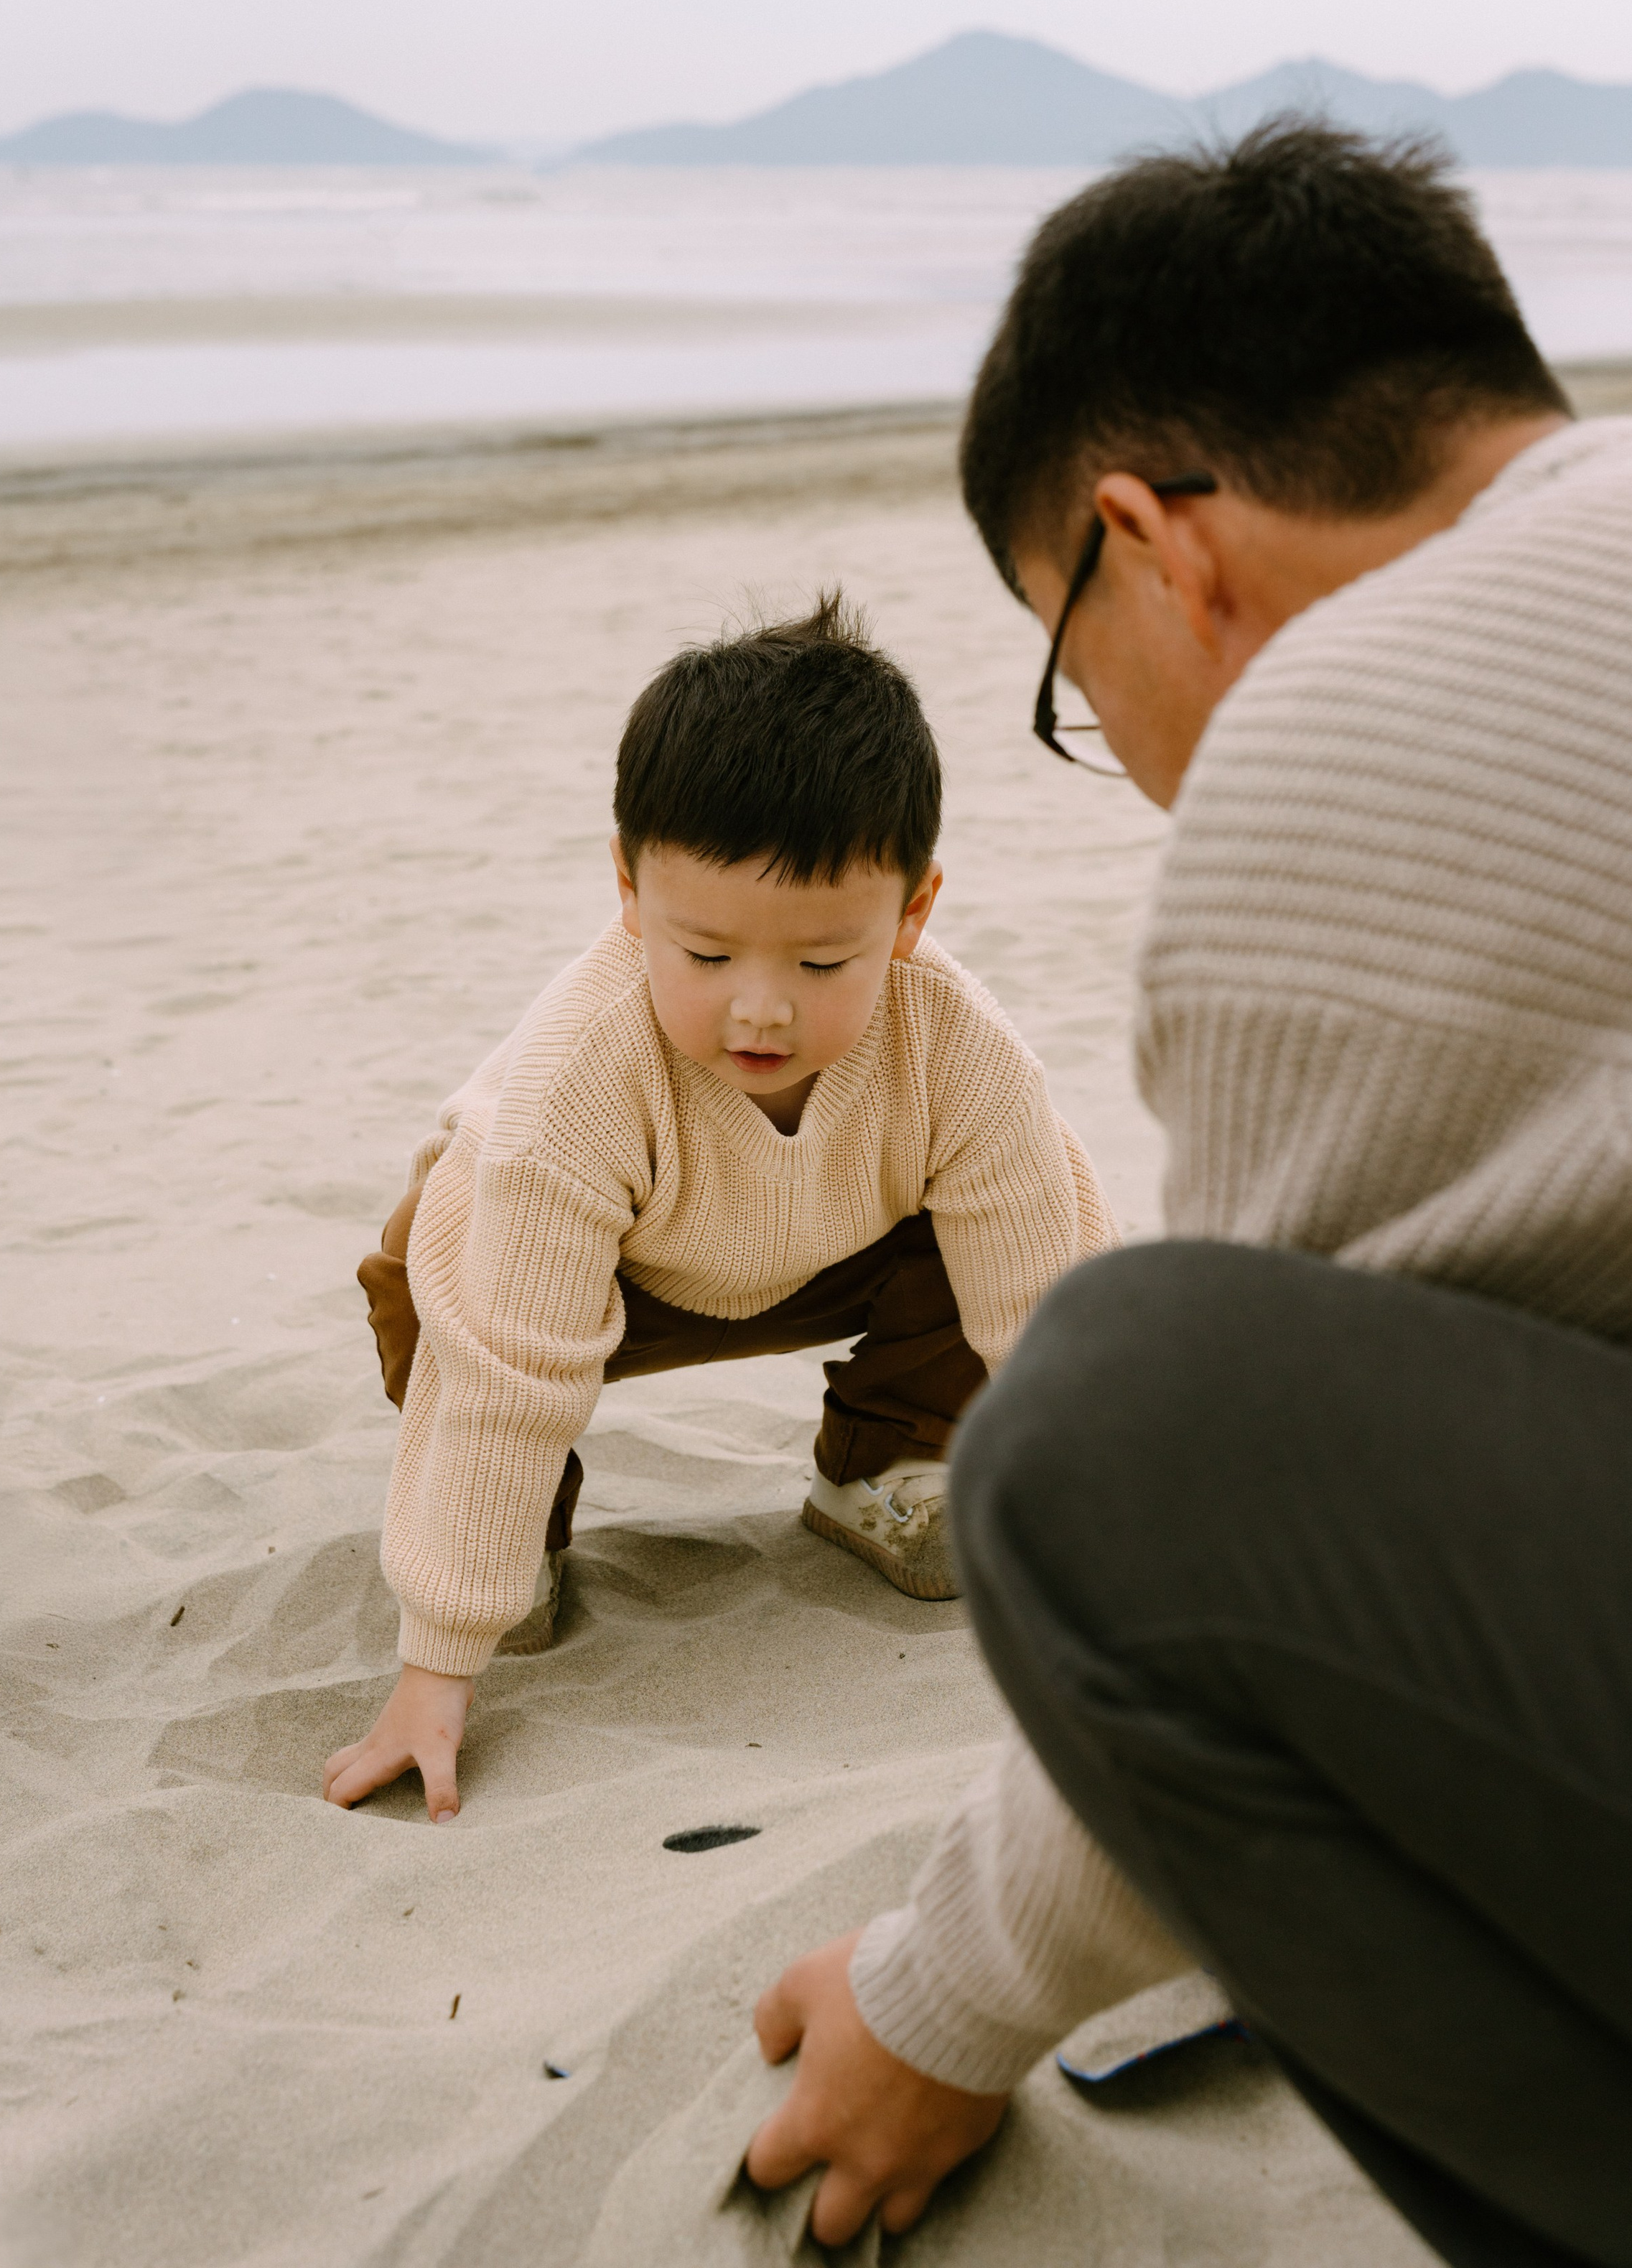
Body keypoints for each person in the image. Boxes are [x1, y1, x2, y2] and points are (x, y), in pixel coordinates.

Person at [743, 126, 1632, 2267]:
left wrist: (934, 2007)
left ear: (1148, 542)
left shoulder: (1364, 721)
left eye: (1067, 673)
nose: (1123, 753)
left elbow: (1209, 1554)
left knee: (1105, 1428)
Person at [322, 592, 1113, 1821]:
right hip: (589, 1277)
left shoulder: (959, 1047)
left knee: (1042, 1194)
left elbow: (1045, 1313)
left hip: (850, 1245)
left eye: (818, 963)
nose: (761, 1010)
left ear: (912, 913)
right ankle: (519, 1532)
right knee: (445, 1293)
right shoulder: (585, 1075)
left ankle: (888, 1463)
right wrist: (441, 1658)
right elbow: (512, 1374)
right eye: (705, 957)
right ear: (631, 893)